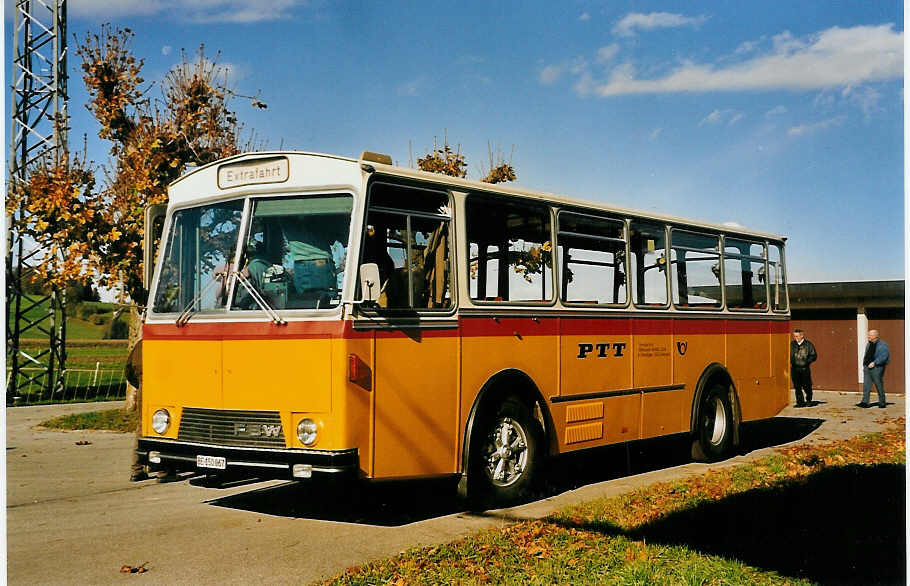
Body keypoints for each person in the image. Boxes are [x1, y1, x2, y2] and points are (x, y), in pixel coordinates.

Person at [857, 329, 890, 408]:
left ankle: (882, 402)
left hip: (877, 367)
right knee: (866, 385)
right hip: (867, 367)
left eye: (869, 335)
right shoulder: (869, 344)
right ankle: (865, 402)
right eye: (868, 335)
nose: (868, 336)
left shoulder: (883, 345)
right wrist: (864, 364)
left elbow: (884, 357)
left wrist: (875, 362)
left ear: (875, 336)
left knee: (878, 384)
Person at [790, 329, 818, 407]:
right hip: (795, 368)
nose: (795, 338)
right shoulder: (792, 344)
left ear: (802, 336)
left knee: (807, 385)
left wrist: (806, 362)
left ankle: (809, 400)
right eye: (794, 336)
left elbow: (814, 355)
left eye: (797, 336)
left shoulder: (808, 345)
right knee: (797, 386)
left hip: (804, 368)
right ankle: (800, 402)